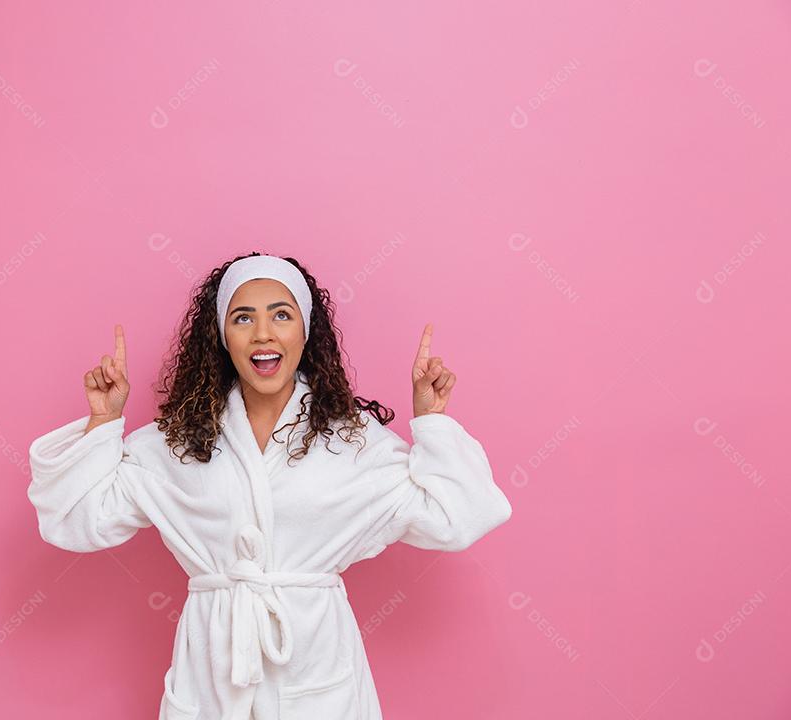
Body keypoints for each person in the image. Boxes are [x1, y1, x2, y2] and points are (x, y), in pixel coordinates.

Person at [26, 252, 513, 720]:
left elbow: (456, 517)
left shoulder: (351, 441)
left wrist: (431, 421)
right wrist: (103, 422)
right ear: (222, 337)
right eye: (242, 318)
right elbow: (77, 520)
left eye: (281, 315)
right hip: (213, 676)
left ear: (305, 331)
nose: (263, 333)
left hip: (316, 672)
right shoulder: (175, 443)